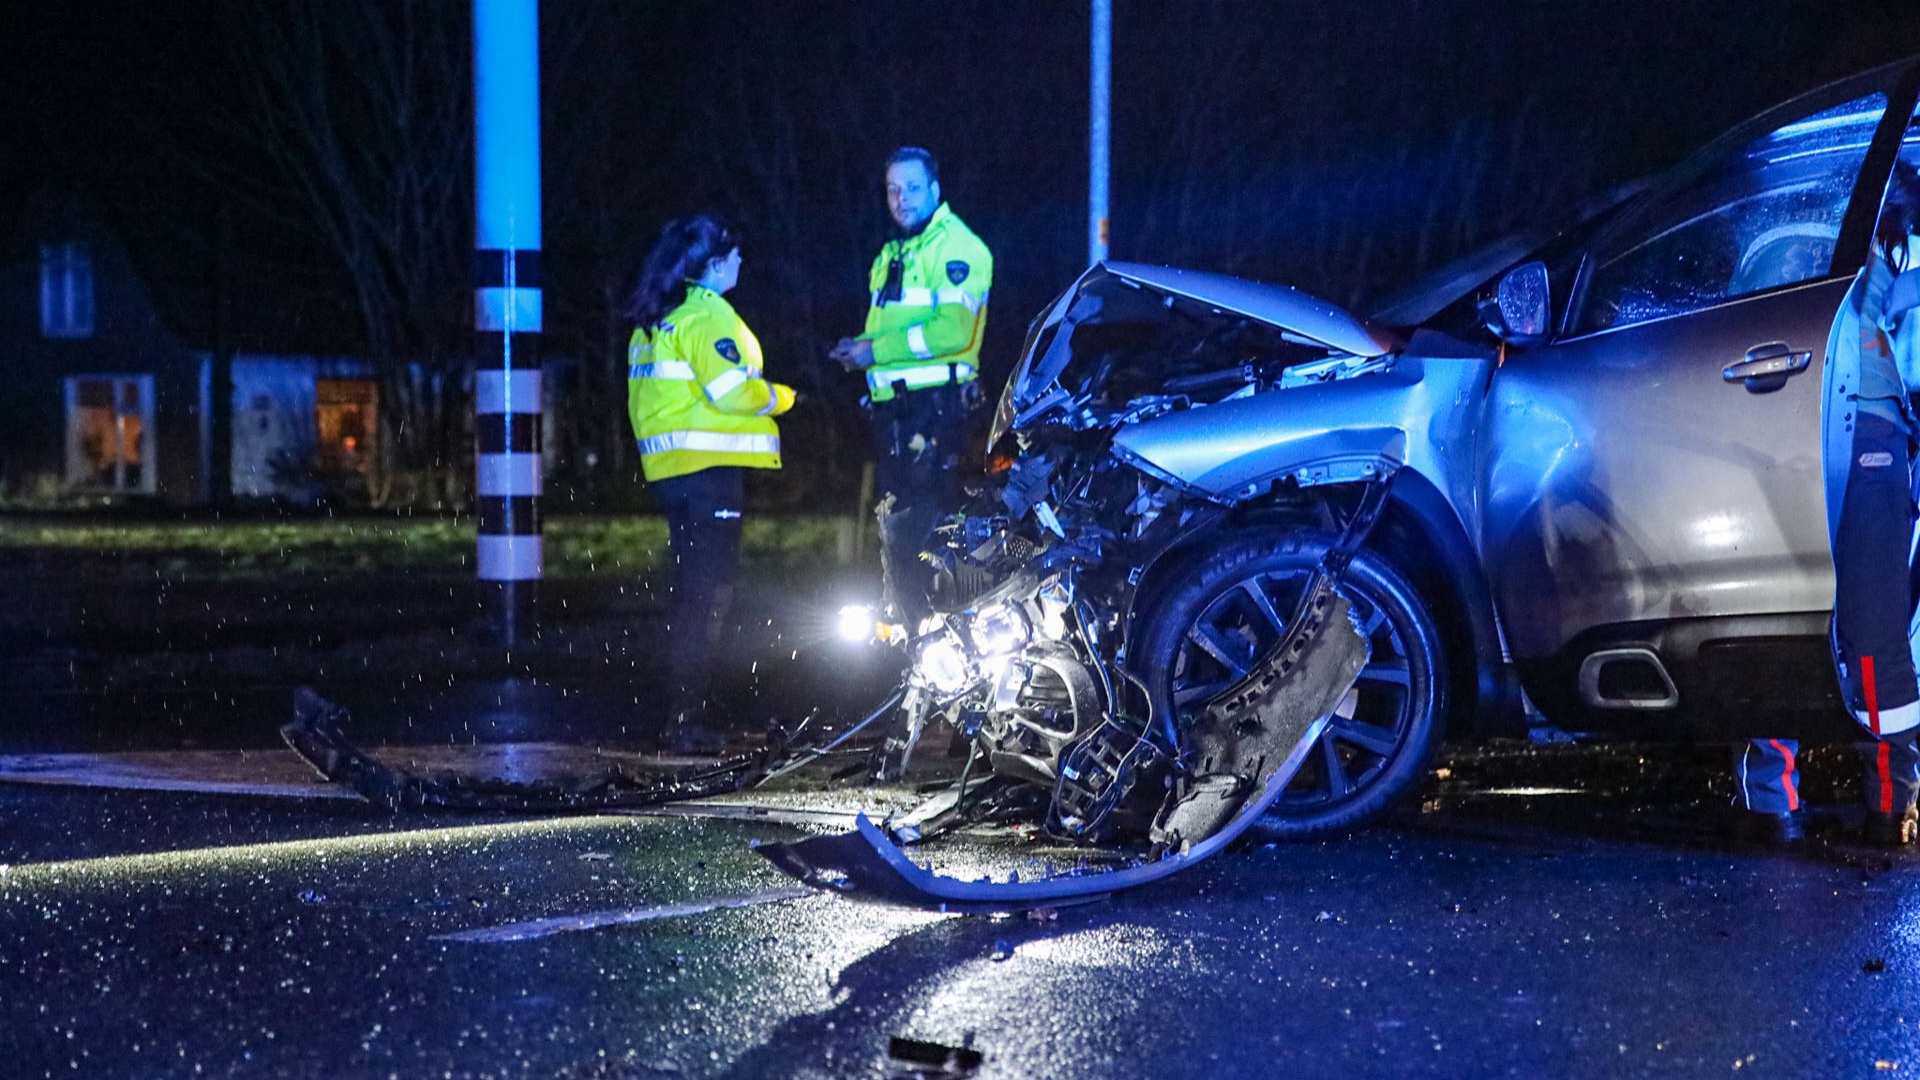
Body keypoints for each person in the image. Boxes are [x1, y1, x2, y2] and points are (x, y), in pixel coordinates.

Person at [1737, 160, 1920, 846]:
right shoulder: (1846, 230)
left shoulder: (1773, 228)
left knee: (1808, 617)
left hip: (1826, 429)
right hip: (1843, 426)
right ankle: (1872, 806)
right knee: (1843, 622)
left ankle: (1800, 806)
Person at [626, 214, 796, 752]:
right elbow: (733, 393)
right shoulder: (707, 315)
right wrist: (783, 397)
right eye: (736, 254)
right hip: (709, 474)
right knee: (708, 595)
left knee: (690, 593)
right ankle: (687, 718)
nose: (743, 261)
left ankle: (686, 709)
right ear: (716, 264)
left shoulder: (659, 316)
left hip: (674, 473)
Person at [829, 147, 993, 625]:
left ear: (936, 190)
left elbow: (953, 332)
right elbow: (894, 328)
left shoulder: (957, 247)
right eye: (892, 190)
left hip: (935, 414)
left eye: (912, 188)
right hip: (899, 416)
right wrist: (861, 349)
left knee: (926, 538)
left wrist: (874, 352)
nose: (901, 199)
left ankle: (938, 640)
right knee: (900, 536)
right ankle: (911, 640)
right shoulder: (895, 252)